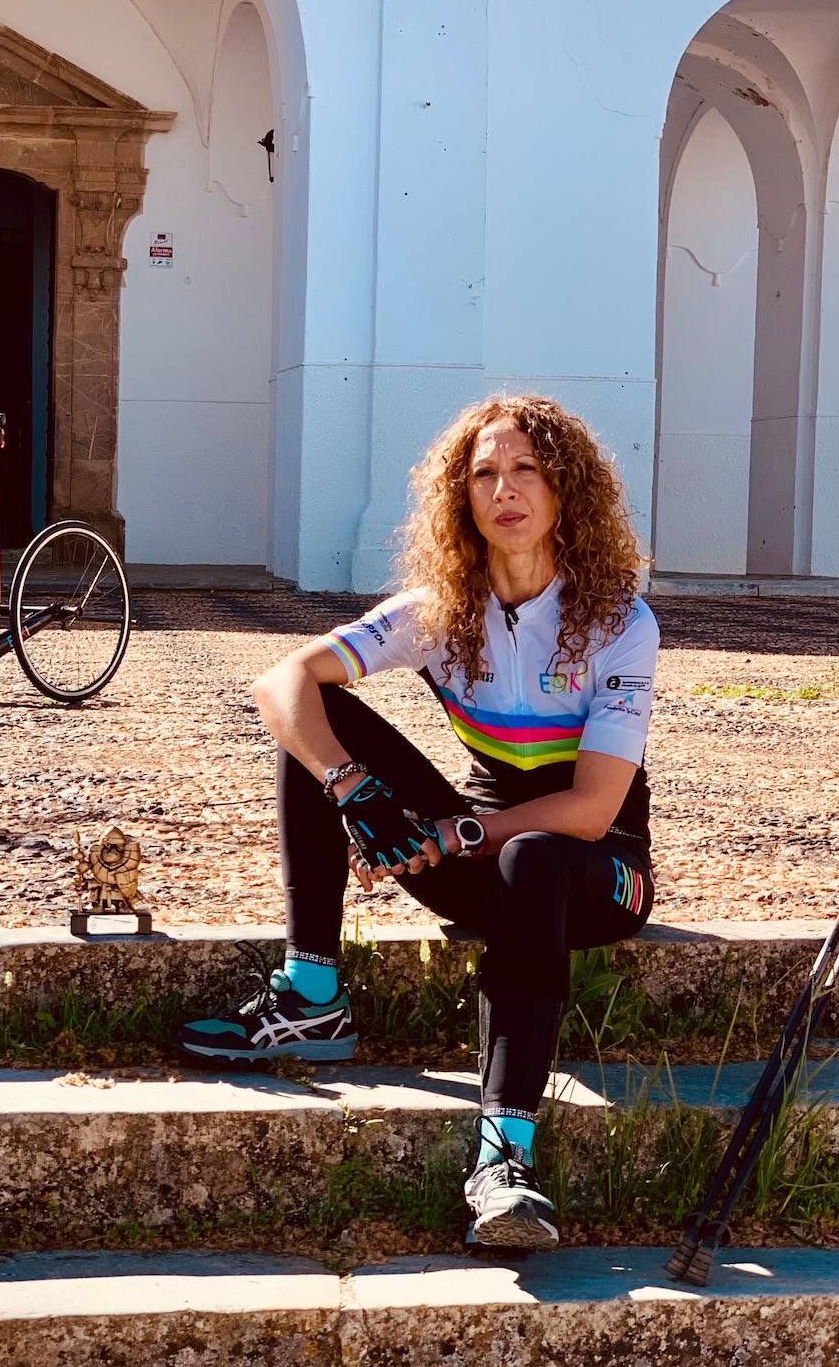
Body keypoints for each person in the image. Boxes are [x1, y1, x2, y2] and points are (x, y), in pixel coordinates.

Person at [177, 394, 658, 1250]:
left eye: (525, 470)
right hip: (473, 860)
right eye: (483, 474)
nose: (503, 490)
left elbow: (592, 808)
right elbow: (279, 682)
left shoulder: (618, 621)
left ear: (564, 491)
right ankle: (313, 993)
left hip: (594, 871)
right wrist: (353, 786)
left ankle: (503, 1161)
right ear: (460, 498)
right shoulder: (440, 609)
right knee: (315, 720)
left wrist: (462, 833)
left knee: (538, 854)